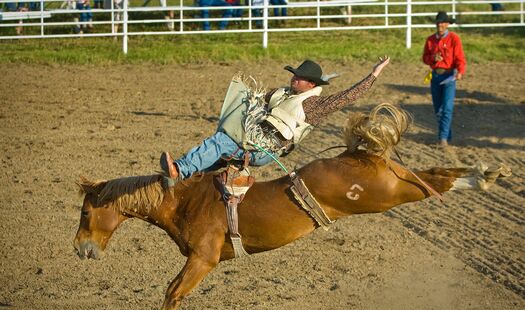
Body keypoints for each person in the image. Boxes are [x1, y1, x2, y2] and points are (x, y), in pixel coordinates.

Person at [160, 57, 390, 182]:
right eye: (295, 75)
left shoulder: (314, 105)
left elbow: (347, 96)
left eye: (301, 78)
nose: (295, 79)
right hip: (254, 140)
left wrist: (375, 73)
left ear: (312, 85)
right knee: (220, 154)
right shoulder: (281, 93)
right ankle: (187, 178)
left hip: (265, 149)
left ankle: (180, 169)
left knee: (221, 141)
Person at [422, 11, 466, 146]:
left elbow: (460, 57)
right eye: (439, 22)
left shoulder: (454, 39)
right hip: (435, 75)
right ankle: (447, 135)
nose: (440, 24)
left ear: (447, 24)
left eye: (443, 22)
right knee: (438, 110)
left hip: (449, 75)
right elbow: (425, 58)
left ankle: (443, 138)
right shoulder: (430, 40)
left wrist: (460, 71)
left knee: (446, 108)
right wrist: (432, 58)